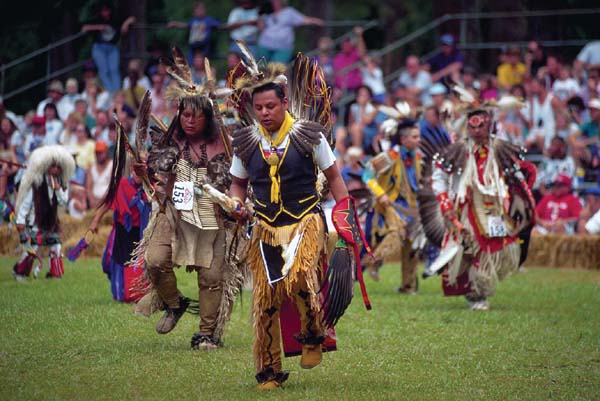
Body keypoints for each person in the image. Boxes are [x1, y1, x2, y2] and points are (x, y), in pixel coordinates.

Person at [228, 51, 352, 390]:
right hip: (266, 226)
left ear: (285, 102)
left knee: (299, 278)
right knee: (265, 298)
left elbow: (335, 177)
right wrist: (237, 204)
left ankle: (313, 334)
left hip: (305, 221)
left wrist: (345, 214)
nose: (265, 113)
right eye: (259, 108)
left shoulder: (309, 135)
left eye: (271, 106)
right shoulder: (246, 142)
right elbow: (238, 184)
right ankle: (269, 371)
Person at [130, 48, 240, 351]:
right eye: (185, 114)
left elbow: (238, 182)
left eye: (197, 115)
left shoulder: (225, 146)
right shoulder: (171, 140)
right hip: (174, 214)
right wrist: (145, 171)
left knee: (212, 275)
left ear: (208, 117)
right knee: (155, 261)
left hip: (210, 216)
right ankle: (175, 304)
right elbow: (156, 172)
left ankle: (207, 334)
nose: (190, 120)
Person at [423, 97, 536, 311]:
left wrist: (522, 198)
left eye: (481, 125)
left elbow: (516, 175)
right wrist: (445, 202)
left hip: (495, 208)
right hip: (466, 208)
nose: (476, 131)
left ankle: (480, 289)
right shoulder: (458, 150)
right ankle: (476, 291)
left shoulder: (501, 148)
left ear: (489, 123)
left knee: (493, 249)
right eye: (472, 126)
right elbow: (439, 177)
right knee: (469, 250)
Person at [361, 120, 422, 294]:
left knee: (412, 243)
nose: (419, 140)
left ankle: (408, 285)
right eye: (415, 137)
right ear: (403, 139)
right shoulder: (389, 156)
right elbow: (367, 175)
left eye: (419, 136)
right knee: (396, 232)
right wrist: (380, 194)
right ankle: (374, 260)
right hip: (389, 203)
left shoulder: (417, 156)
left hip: (411, 205)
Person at [13, 145, 75, 281]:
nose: (56, 170)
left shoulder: (63, 183)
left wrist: (58, 189)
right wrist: (21, 220)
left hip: (52, 222)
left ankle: (55, 274)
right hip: (37, 222)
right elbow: (26, 203)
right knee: (32, 248)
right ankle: (20, 272)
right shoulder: (37, 182)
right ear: (47, 166)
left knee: (56, 246)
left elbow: (63, 201)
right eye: (53, 166)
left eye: (59, 167)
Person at [89, 171, 151, 302]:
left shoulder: (150, 187)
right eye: (137, 172)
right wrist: (95, 221)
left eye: (142, 172)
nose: (138, 175)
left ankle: (141, 292)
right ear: (132, 171)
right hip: (123, 231)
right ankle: (121, 291)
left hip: (141, 232)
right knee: (120, 261)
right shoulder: (121, 185)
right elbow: (107, 203)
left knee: (142, 263)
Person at [81, 2, 136, 94]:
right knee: (104, 71)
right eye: (103, 11)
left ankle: (117, 92)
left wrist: (125, 24)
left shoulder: (115, 19)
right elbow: (84, 28)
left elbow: (132, 19)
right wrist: (98, 27)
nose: (105, 13)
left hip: (112, 48)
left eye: (107, 10)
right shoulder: (97, 19)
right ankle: (111, 93)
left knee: (114, 70)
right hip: (99, 47)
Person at [256, 0, 324, 63]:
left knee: (276, 70)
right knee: (262, 69)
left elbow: (304, 20)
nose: (274, 2)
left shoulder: (289, 12)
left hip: (283, 47)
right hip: (265, 45)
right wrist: (261, 15)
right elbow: (261, 28)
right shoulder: (267, 13)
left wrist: (316, 21)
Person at [333, 26, 366, 92]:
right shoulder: (338, 57)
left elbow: (362, 52)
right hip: (340, 89)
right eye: (344, 43)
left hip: (354, 89)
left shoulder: (354, 54)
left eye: (348, 43)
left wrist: (359, 36)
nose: (346, 45)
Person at [86, 140, 112, 209]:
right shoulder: (91, 167)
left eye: (101, 152)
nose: (98, 155)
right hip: (94, 202)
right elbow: (88, 188)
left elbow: (113, 188)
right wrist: (92, 201)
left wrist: (101, 202)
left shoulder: (112, 166)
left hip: (108, 202)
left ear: (106, 152)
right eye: (97, 153)